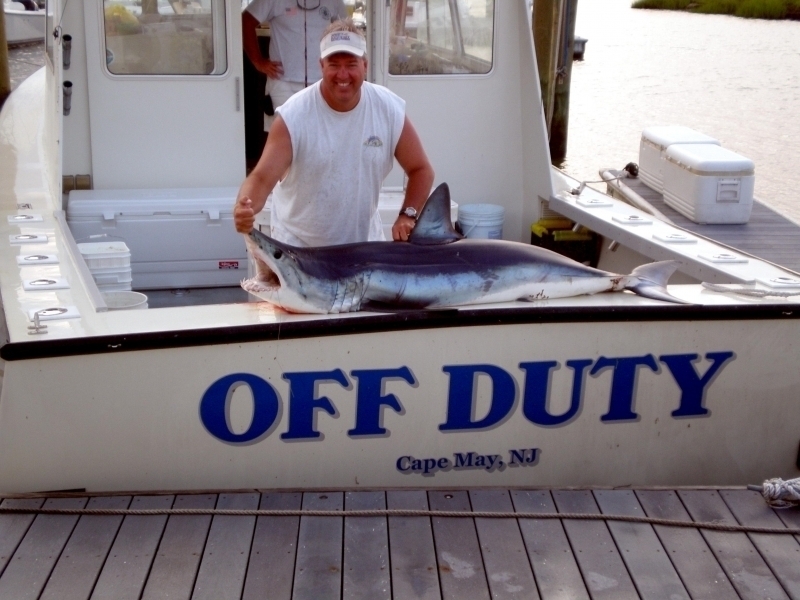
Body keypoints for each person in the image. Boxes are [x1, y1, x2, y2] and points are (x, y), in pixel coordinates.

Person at [234, 20, 435, 245]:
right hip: (298, 248)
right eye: (334, 64)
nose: (343, 74)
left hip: (362, 245)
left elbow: (421, 170)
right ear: (321, 66)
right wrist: (245, 207)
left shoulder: (388, 108)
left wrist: (408, 215)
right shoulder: (293, 116)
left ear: (365, 66)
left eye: (351, 64)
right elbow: (262, 178)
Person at [242, 0, 346, 131]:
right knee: (282, 134)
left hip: (321, 81)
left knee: (321, 132)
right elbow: (246, 21)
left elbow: (345, 32)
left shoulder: (334, 2)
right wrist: (258, 61)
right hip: (282, 82)